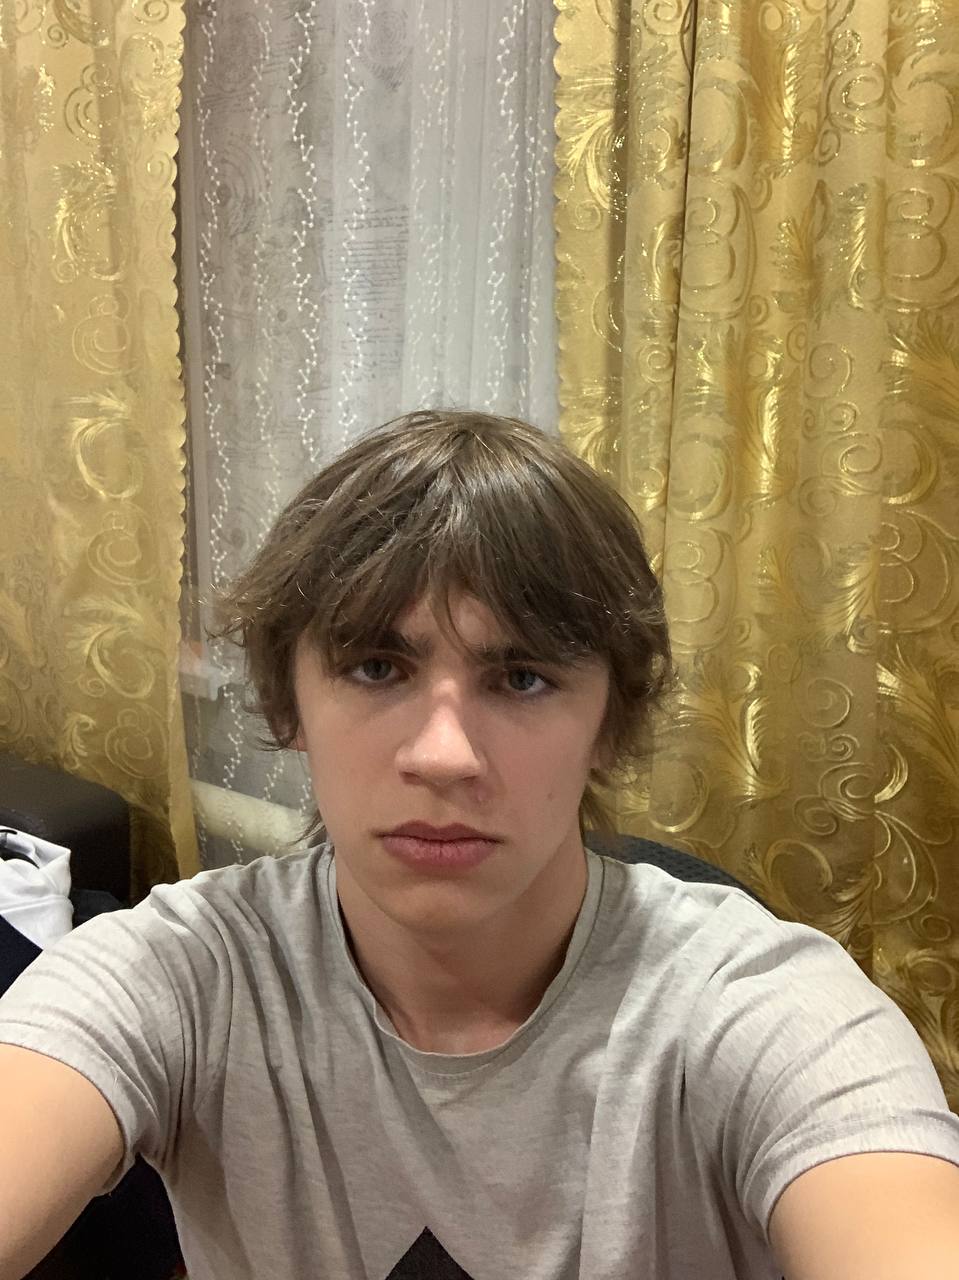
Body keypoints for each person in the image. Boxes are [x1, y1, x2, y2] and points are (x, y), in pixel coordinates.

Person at [1, 409, 958, 1280]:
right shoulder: (182, 975)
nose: (444, 754)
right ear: (289, 703)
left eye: (522, 677)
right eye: (377, 667)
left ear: (610, 723)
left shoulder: (757, 1008)